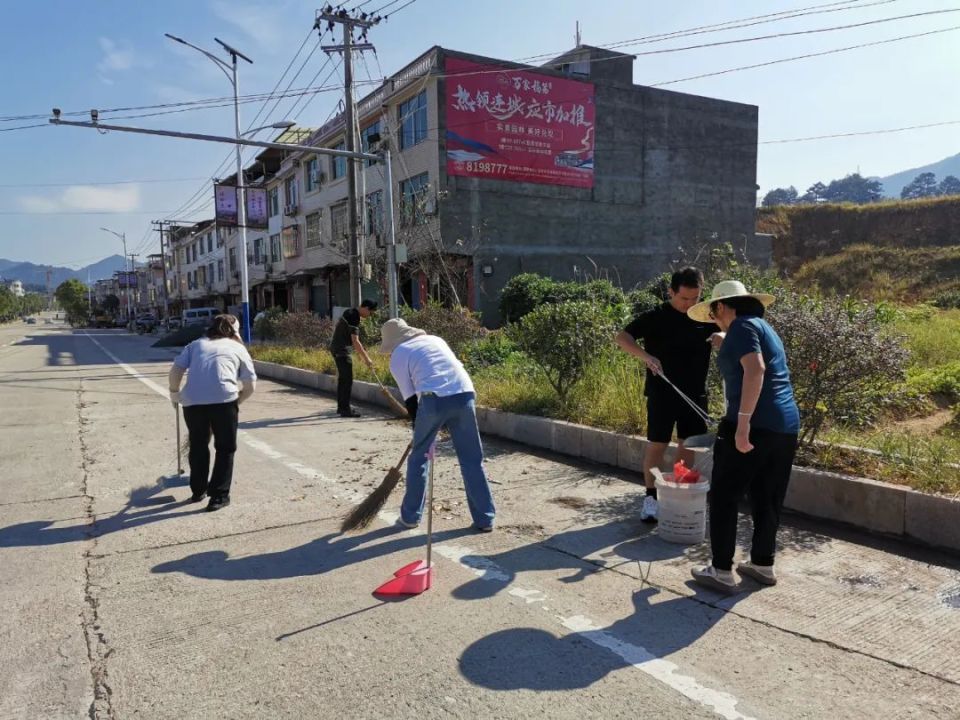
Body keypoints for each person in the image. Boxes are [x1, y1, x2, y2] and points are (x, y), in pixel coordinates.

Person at [686, 280, 800, 593]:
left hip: (754, 424)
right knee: (767, 495)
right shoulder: (762, 327)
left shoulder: (740, 328)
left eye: (714, 312)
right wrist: (725, 341)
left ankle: (721, 570)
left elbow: (755, 369)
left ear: (723, 306)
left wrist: (743, 424)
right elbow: (754, 358)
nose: (714, 318)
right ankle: (763, 563)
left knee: (724, 494)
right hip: (785, 425)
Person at [615, 267, 718, 522]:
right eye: (684, 298)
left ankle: (680, 495)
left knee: (688, 445)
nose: (689, 304)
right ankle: (651, 497)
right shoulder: (656, 317)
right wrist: (646, 357)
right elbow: (622, 337)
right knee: (657, 445)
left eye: (695, 298)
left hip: (695, 394)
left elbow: (731, 331)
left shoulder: (706, 316)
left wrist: (722, 336)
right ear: (671, 291)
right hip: (662, 391)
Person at [381, 318, 496, 532]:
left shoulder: (398, 354)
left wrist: (420, 432)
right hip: (465, 395)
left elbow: (411, 401)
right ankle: (485, 519)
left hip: (433, 399)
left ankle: (410, 517)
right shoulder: (435, 339)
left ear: (390, 342)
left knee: (418, 459)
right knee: (472, 460)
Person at [168, 314, 257, 512]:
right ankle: (218, 496)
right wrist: (236, 402)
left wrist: (174, 394)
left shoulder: (195, 344)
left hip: (192, 402)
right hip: (224, 401)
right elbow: (250, 386)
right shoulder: (237, 348)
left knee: (198, 445)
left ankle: (198, 490)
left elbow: (176, 371)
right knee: (225, 448)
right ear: (235, 331)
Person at [329, 299, 377, 417]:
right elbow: (355, 341)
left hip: (337, 348)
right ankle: (345, 410)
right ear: (365, 308)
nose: (370, 315)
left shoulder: (350, 312)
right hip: (341, 350)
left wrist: (361, 354)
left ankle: (342, 408)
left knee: (343, 380)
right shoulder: (354, 316)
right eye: (370, 312)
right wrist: (367, 358)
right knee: (347, 380)